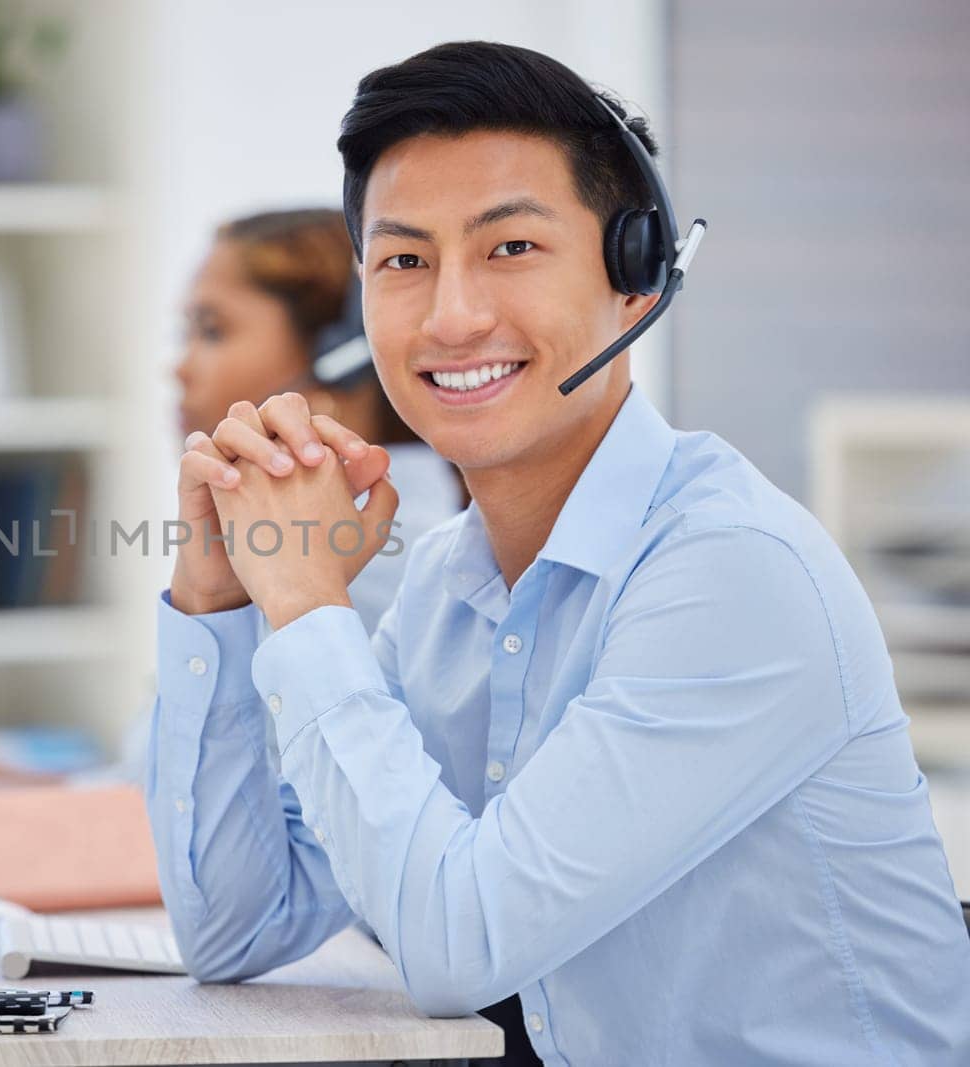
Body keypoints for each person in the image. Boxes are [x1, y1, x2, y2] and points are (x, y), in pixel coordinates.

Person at [145, 40, 970, 1065]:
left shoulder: (730, 571)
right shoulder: (452, 580)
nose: (451, 315)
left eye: (511, 248)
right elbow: (239, 925)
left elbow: (460, 944)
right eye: (404, 261)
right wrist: (218, 599)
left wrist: (309, 603)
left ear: (635, 276)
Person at [175, 207, 462, 632]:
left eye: (213, 331)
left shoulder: (387, 555)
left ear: (338, 360)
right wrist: (208, 605)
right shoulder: (258, 530)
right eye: (186, 334)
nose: (179, 370)